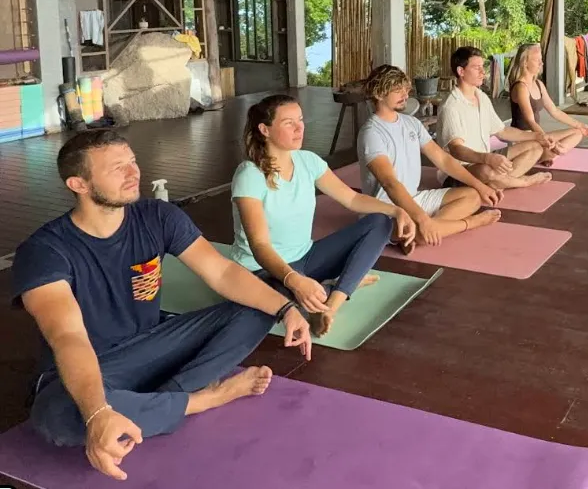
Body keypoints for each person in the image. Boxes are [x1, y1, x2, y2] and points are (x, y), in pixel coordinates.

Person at [12, 131, 312, 481]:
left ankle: (151, 404)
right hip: (94, 365)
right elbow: (67, 336)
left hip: (156, 341)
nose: (133, 173)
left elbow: (222, 272)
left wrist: (286, 309)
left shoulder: (157, 216)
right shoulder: (44, 252)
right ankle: (201, 399)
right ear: (79, 183)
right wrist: (96, 413)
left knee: (263, 301)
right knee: (59, 417)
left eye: (133, 161)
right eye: (117, 168)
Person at [230, 95, 418, 337]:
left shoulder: (308, 162)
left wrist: (397, 210)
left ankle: (331, 303)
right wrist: (295, 281)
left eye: (300, 120)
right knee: (263, 309)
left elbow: (352, 199)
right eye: (289, 123)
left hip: (306, 257)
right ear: (265, 130)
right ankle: (340, 283)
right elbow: (259, 245)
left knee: (380, 221)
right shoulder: (250, 174)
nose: (299, 128)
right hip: (260, 270)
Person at [358, 64, 503, 253]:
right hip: (384, 210)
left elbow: (443, 159)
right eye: (397, 90)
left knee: (473, 196)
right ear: (378, 94)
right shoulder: (371, 133)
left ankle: (424, 231)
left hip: (414, 198)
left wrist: (480, 185)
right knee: (417, 229)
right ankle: (469, 223)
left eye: (405, 89)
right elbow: (390, 184)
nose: (404, 94)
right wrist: (423, 218)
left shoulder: (411, 123)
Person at [438, 46, 553, 190]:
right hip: (459, 171)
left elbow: (502, 131)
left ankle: (499, 182)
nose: (482, 72)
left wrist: (537, 136)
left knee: (535, 147)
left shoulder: (482, 97)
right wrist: (487, 159)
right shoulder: (451, 105)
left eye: (482, 67)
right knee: (486, 171)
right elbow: (456, 150)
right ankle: (523, 181)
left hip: (485, 158)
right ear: (461, 71)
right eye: (476, 68)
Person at [507, 42, 588, 164]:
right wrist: (546, 140)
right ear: (525, 62)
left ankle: (550, 154)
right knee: (552, 146)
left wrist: (580, 125)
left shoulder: (538, 84)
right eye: (537, 60)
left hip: (538, 136)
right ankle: (548, 154)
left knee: (578, 133)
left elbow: (555, 111)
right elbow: (530, 121)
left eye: (541, 59)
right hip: (522, 139)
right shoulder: (521, 87)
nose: (541, 63)